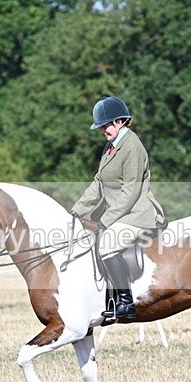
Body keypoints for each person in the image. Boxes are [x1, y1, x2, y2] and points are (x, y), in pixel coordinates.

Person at [70, 96, 165, 320]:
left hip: (136, 214)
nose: (102, 130)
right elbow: (98, 183)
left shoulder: (132, 146)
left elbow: (130, 192)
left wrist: (105, 221)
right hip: (120, 214)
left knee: (108, 244)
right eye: (101, 127)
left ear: (120, 122)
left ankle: (125, 302)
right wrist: (75, 211)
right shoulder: (110, 147)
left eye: (106, 125)